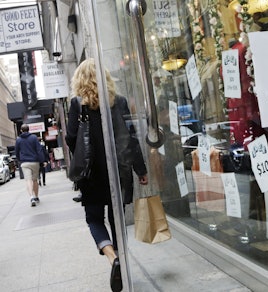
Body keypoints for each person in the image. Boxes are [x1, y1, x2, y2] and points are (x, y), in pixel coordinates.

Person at [66, 58, 148, 292]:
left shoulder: (77, 105)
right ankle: (121, 259)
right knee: (117, 219)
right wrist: (140, 169)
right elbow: (129, 139)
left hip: (91, 174)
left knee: (93, 218)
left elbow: (72, 139)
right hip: (119, 171)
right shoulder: (119, 102)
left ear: (79, 80)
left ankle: (113, 258)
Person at [15, 124, 45, 207]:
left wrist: (19, 159)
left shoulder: (18, 140)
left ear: (21, 130)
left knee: (28, 180)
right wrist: (42, 160)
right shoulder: (34, 138)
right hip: (34, 162)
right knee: (35, 180)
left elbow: (16, 151)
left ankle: (31, 197)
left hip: (24, 163)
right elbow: (39, 150)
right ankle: (36, 196)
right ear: (29, 129)